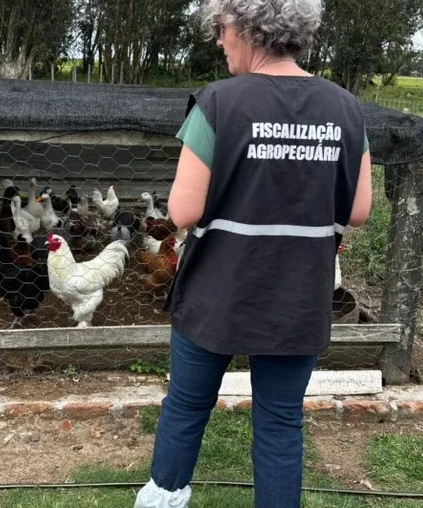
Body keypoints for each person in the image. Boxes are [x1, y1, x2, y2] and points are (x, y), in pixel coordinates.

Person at [134, 0, 373, 506]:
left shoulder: (218, 104)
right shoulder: (345, 107)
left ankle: (164, 500)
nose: (219, 42)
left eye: (220, 29)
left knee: (186, 405)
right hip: (297, 298)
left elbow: (180, 211)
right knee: (281, 421)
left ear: (247, 28)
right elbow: (357, 211)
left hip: (217, 294)